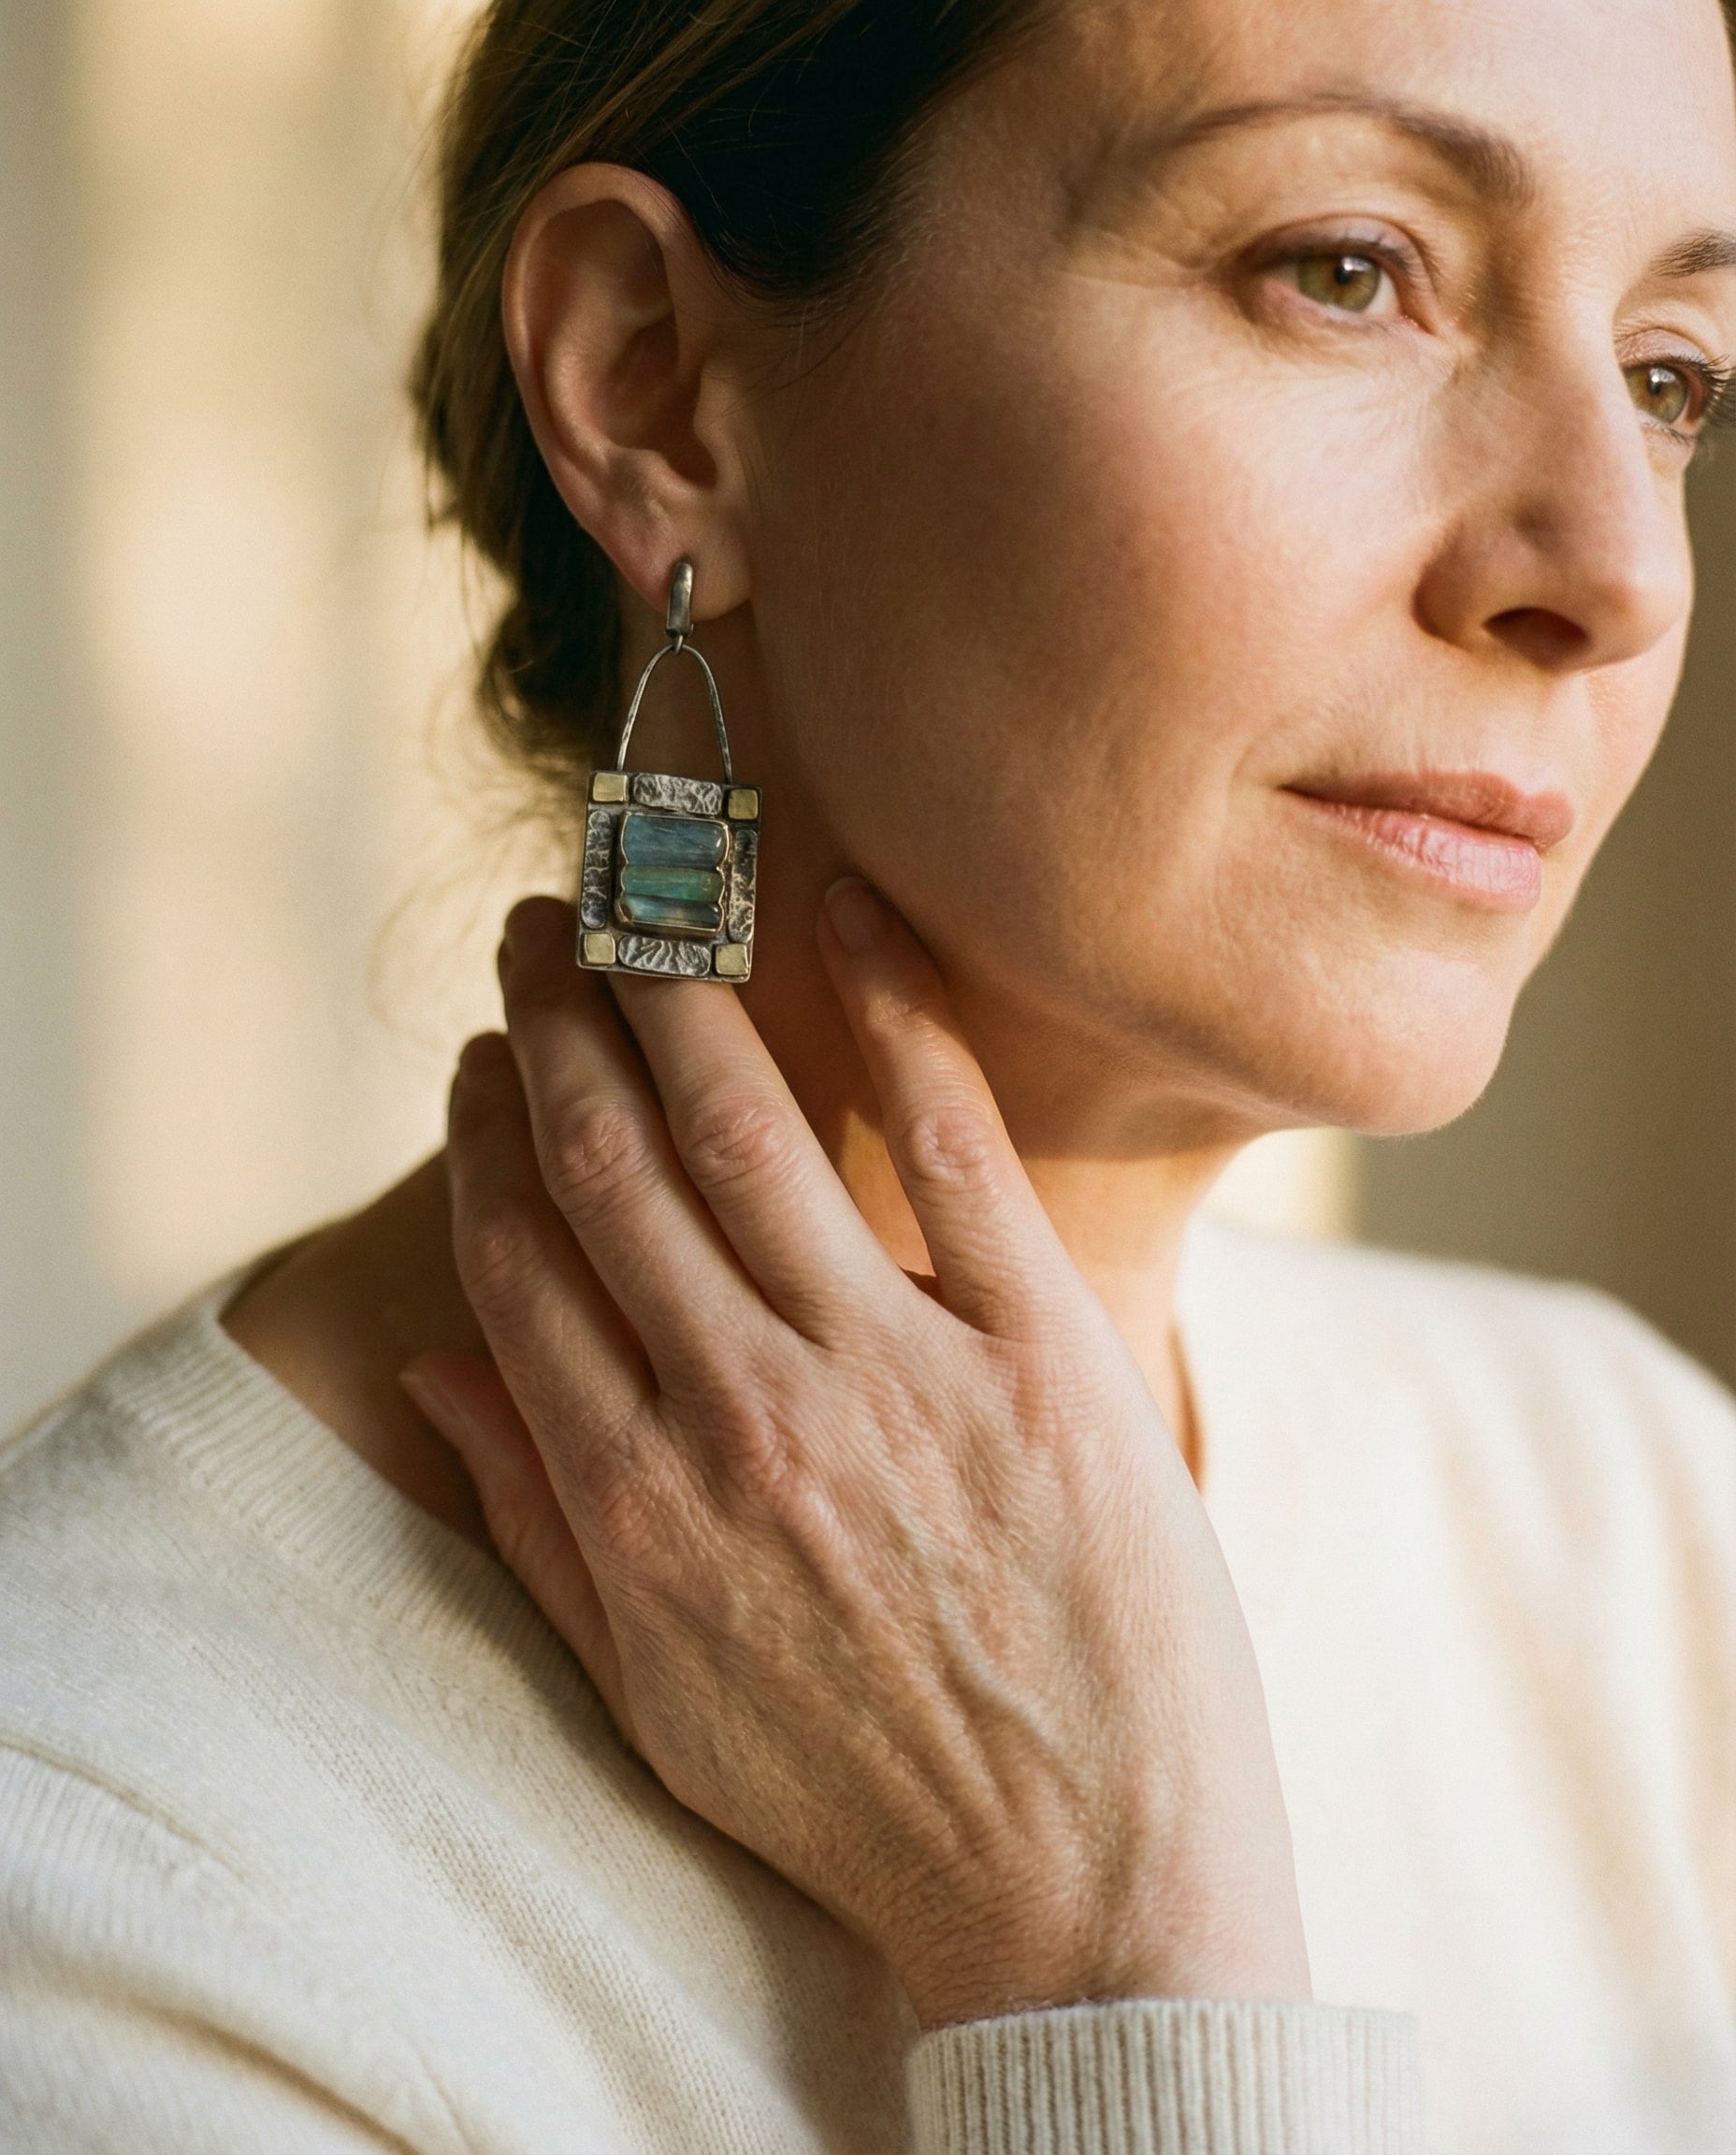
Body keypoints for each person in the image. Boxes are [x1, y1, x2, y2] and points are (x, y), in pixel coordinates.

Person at [3, 0, 1734, 2148]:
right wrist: (1116, 1969)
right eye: (1344, 268)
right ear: (652, 375)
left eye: (1673, 382)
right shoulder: (101, 1884)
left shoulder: (1640, 1531)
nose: (1614, 568)